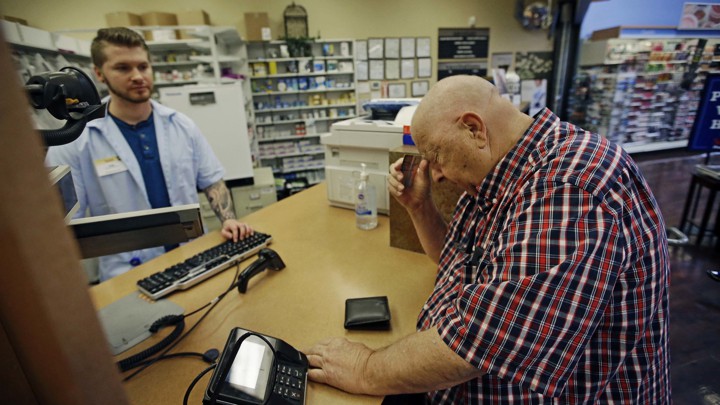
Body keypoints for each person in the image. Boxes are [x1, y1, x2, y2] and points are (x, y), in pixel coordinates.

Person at [306, 75, 671, 403]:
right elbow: (457, 261)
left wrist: (367, 368)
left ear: (474, 129)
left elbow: (481, 341)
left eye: (436, 157)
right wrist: (419, 208)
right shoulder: (501, 173)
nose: (438, 176)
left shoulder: (569, 188)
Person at [45, 27, 253, 281]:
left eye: (143, 66)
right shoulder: (76, 138)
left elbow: (211, 179)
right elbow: (59, 223)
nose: (137, 76)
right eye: (123, 68)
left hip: (194, 258)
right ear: (99, 74)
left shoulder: (181, 125)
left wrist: (228, 220)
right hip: (128, 273)